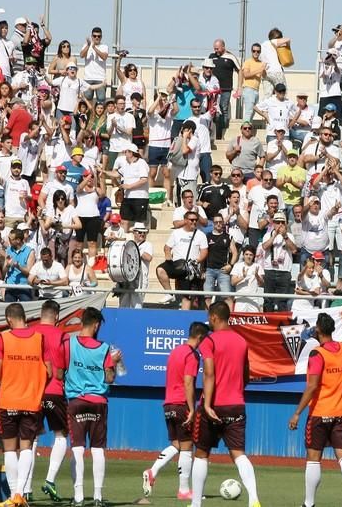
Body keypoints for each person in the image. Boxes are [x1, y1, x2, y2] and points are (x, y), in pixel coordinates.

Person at [191, 302, 261, 507]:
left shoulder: (208, 341)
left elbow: (209, 374)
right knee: (238, 454)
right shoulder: (241, 341)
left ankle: (196, 504)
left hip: (213, 405)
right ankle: (254, 499)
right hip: (236, 404)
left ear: (214, 317)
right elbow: (246, 374)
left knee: (201, 454)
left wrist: (207, 405)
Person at [288, 313, 342, 507]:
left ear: (319, 329)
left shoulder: (317, 354)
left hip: (320, 414)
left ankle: (309, 503)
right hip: (340, 413)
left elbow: (312, 386)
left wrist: (297, 413)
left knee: (313, 459)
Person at [0, 302, 52, 507]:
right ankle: (20, 494)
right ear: (24, 317)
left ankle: (14, 495)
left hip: (8, 401)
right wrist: (35, 384)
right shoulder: (40, 339)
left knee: (10, 450)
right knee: (26, 448)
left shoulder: (2, 339)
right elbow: (49, 372)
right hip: (32, 402)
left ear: (8, 319)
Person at [60, 307, 121, 507]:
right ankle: (97, 497)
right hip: (98, 403)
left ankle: (78, 497)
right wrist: (115, 362)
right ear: (96, 325)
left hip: (76, 401)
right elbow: (110, 378)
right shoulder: (105, 349)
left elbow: (60, 373)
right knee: (97, 450)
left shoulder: (68, 344)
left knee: (77, 449)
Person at [142, 321, 208, 500]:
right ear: (201, 337)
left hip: (168, 404)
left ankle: (152, 471)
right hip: (181, 404)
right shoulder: (192, 355)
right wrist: (192, 408)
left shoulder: (175, 351)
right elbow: (188, 382)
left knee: (177, 445)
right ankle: (184, 490)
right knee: (187, 447)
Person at [31, 300, 68, 502]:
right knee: (61, 435)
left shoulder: (30, 332)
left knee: (31, 438)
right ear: (56, 316)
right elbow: (63, 366)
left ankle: (25, 488)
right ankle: (50, 481)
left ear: (41, 313)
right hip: (54, 390)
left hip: (32, 392)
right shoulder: (61, 335)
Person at [156, 211, 209, 309]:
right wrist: (168, 260)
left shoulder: (201, 235)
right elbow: (167, 247)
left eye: (196, 220)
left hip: (190, 269)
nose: (194, 222)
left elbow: (204, 252)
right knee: (160, 270)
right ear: (185, 220)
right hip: (177, 265)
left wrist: (196, 261)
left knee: (186, 297)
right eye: (191, 220)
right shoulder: (176, 233)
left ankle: (184, 317)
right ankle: (169, 294)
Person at [260, 211, 297, 312]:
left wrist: (285, 236)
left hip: (285, 271)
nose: (280, 224)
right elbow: (264, 247)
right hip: (269, 270)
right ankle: (268, 324)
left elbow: (294, 250)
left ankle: (282, 324)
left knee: (282, 301)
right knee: (268, 300)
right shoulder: (268, 235)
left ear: (285, 223)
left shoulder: (290, 236)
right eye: (277, 222)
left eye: (282, 222)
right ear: (273, 223)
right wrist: (274, 235)